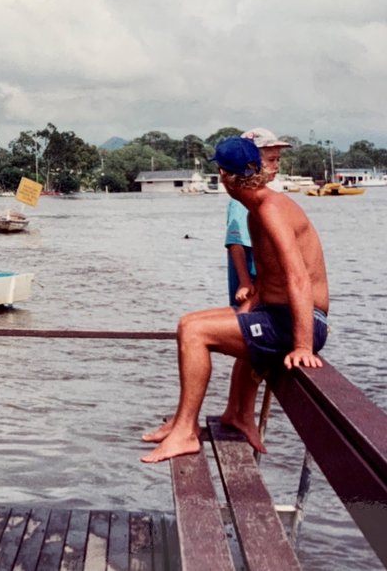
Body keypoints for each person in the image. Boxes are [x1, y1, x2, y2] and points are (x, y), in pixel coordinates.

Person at [141, 137, 329, 463]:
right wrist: (248, 308)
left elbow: (298, 278)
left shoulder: (270, 209)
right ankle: (229, 416)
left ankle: (186, 431)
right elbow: (269, 278)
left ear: (226, 176)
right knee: (192, 322)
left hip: (302, 322)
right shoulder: (257, 208)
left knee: (194, 331)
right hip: (278, 313)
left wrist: (302, 345)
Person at [225, 128, 292, 306]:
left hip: (269, 285)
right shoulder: (242, 201)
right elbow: (236, 243)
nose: (276, 165)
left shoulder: (268, 197)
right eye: (270, 160)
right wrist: (245, 282)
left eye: (278, 159)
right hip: (252, 286)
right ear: (251, 164)